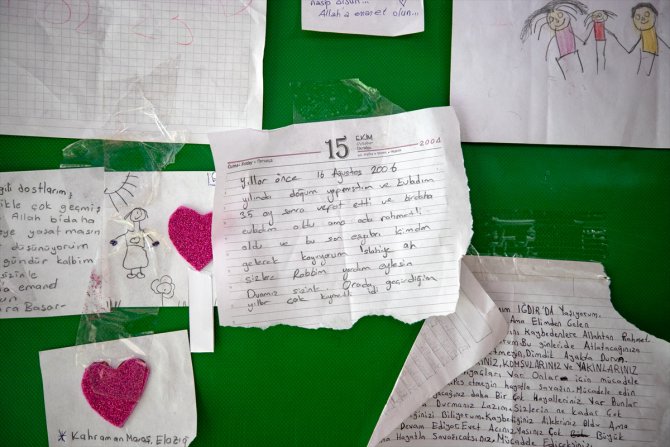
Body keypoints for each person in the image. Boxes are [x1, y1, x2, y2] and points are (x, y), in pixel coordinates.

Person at [520, 0, 589, 79]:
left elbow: (576, 38)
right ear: (549, 24)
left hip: (574, 55)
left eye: (560, 15)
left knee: (579, 73)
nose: (557, 20)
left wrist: (582, 42)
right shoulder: (554, 39)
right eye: (551, 19)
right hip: (562, 59)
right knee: (568, 76)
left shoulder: (571, 31)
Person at [611, 3, 670, 75]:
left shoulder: (664, 48)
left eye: (647, 14)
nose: (642, 18)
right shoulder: (637, 46)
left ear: (655, 15)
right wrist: (615, 37)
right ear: (634, 22)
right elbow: (628, 51)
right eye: (637, 17)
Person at [110, 207, 159, 279]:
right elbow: (123, 236)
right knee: (131, 262)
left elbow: (147, 235)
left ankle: (139, 272)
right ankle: (132, 272)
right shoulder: (129, 233)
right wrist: (116, 240)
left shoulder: (142, 232)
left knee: (140, 261)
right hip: (131, 249)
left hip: (140, 249)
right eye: (136, 213)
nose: (138, 215)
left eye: (139, 213)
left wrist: (153, 242)